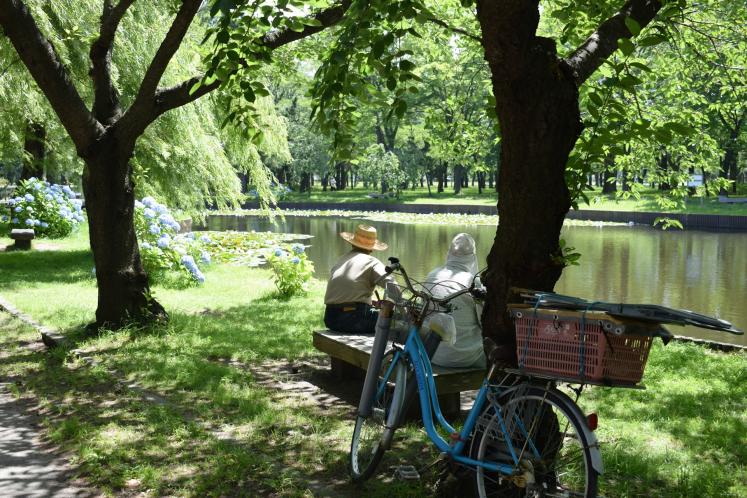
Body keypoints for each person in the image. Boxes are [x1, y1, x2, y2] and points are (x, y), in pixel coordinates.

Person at [424, 233, 487, 369]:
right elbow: (484, 322)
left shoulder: (432, 275)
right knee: (494, 359)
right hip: (463, 357)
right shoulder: (473, 282)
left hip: (432, 353)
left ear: (449, 254)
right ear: (472, 258)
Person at [324, 224, 393, 334]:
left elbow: (346, 290)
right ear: (372, 248)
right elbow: (392, 285)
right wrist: (403, 309)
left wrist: (369, 302)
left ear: (352, 244)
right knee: (395, 322)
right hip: (355, 320)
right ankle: (384, 351)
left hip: (330, 319)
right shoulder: (371, 261)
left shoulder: (341, 259)